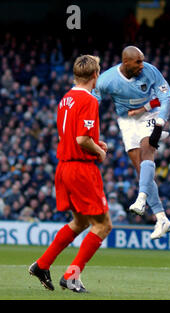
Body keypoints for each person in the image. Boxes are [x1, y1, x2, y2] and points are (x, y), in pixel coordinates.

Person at [28, 55, 112, 293]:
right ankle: (71, 276)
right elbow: (81, 139)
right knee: (103, 225)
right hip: (81, 169)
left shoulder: (65, 99)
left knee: (80, 221)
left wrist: (96, 142)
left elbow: (69, 135)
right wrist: (99, 151)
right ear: (95, 75)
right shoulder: (89, 100)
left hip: (64, 166)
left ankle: (42, 265)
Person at [93, 46, 170, 239]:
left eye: (142, 60)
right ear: (125, 62)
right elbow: (92, 102)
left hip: (150, 114)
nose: (141, 65)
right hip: (127, 121)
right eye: (138, 61)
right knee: (141, 171)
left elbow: (166, 95)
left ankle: (141, 198)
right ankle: (162, 218)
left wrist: (161, 121)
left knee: (147, 149)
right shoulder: (107, 79)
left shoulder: (150, 71)